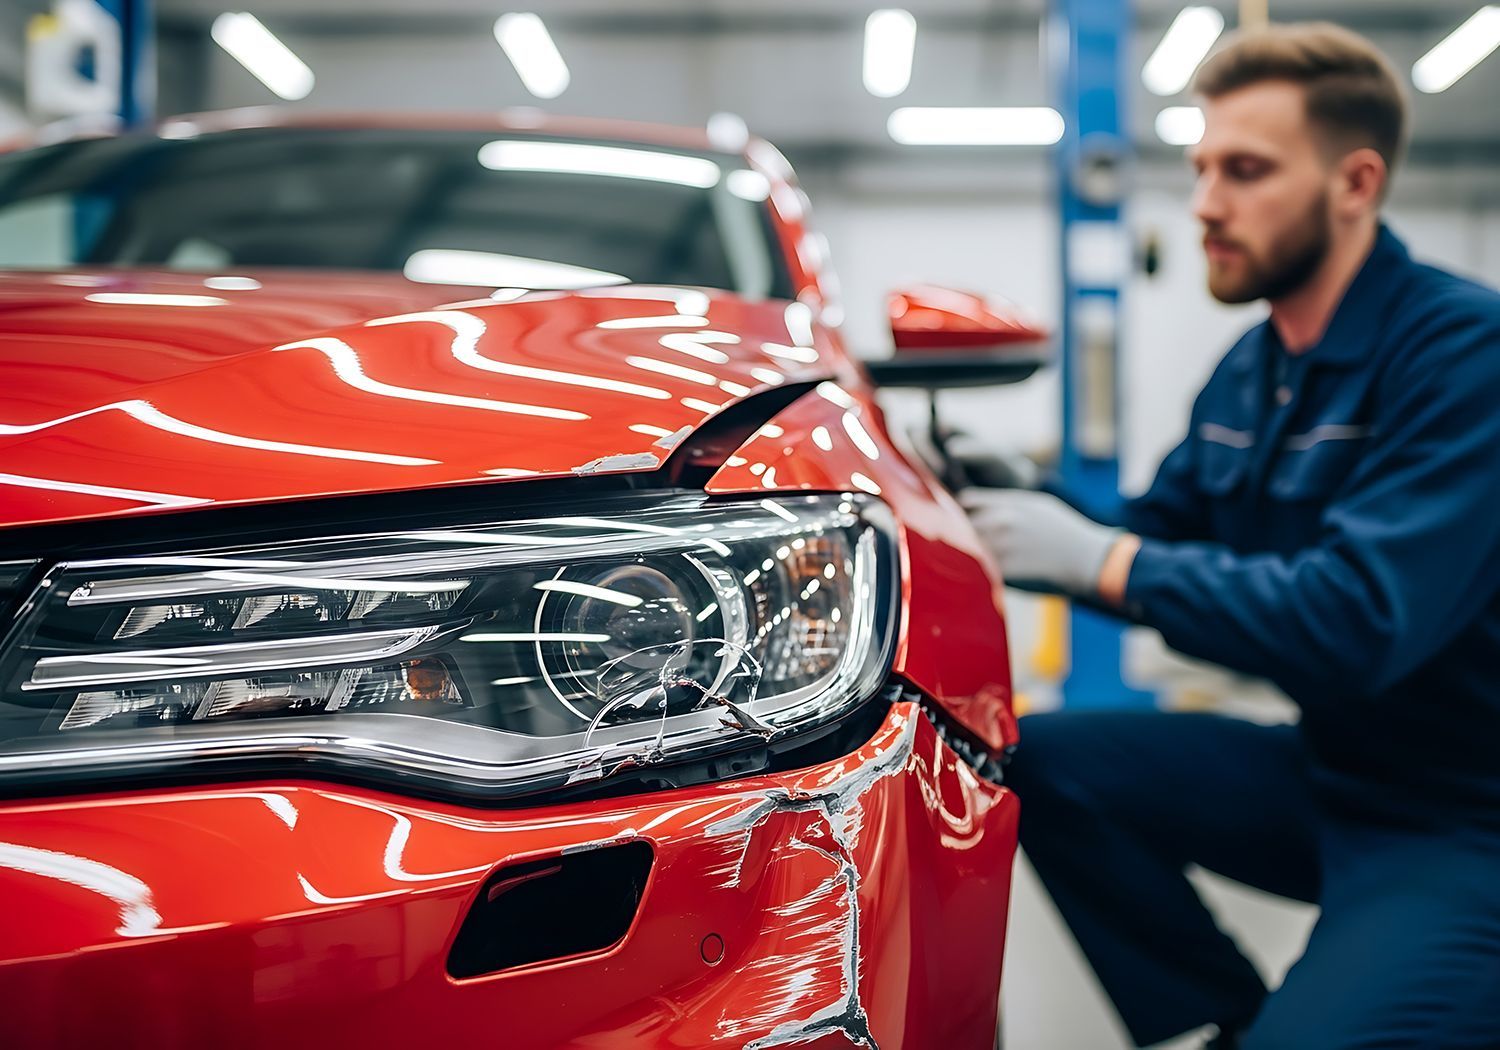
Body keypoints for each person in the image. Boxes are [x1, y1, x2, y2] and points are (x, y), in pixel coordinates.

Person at [961, 22, 1500, 1050]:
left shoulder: (1465, 355)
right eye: (1203, 167)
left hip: (1467, 820)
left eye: (1246, 171)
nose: (1206, 202)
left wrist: (1096, 557)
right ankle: (1225, 1023)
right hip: (1334, 773)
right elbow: (1159, 530)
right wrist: (1025, 500)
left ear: (1356, 182)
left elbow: (1356, 620)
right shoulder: (1255, 369)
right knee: (1044, 759)